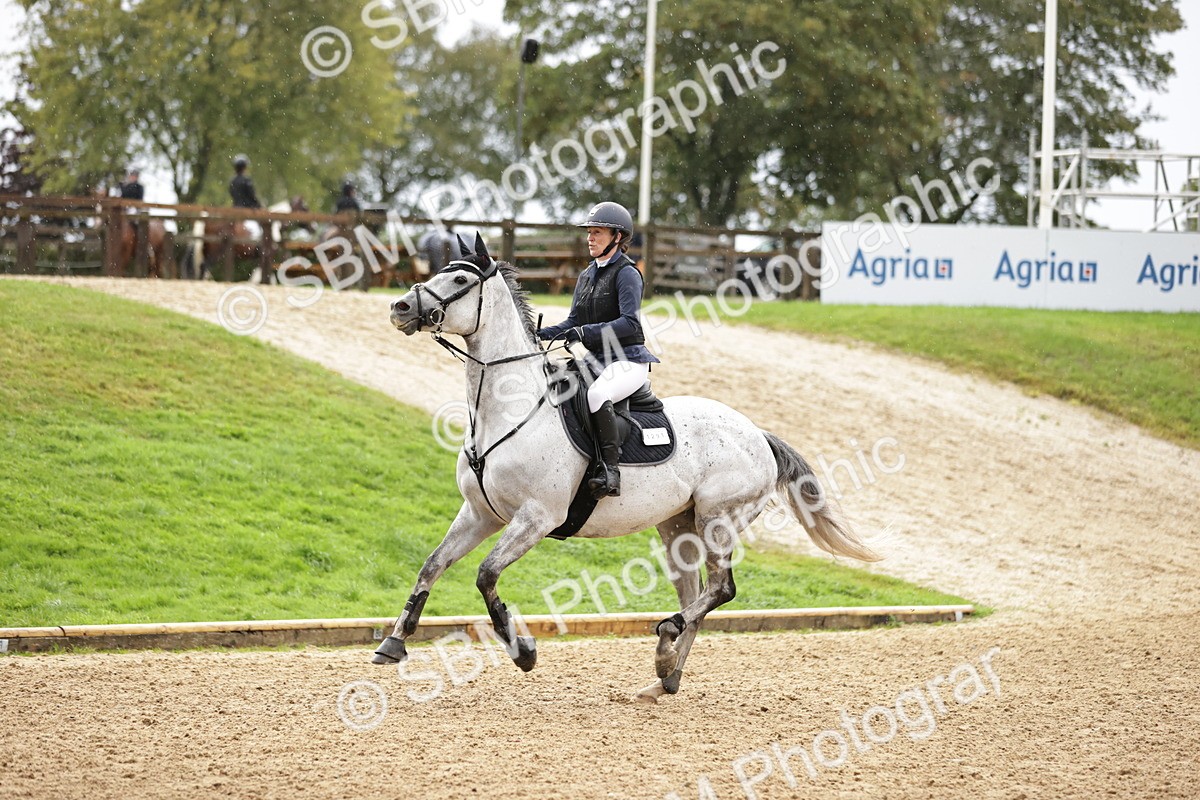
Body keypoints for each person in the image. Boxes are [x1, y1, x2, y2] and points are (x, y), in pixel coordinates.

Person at [537, 201, 659, 499]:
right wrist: (540, 334)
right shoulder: (587, 275)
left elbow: (630, 323)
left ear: (617, 237)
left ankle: (610, 471)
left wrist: (585, 332)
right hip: (596, 360)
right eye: (589, 233)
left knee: (597, 394)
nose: (590, 238)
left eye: (597, 233)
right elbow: (574, 321)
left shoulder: (627, 273)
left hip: (628, 359)